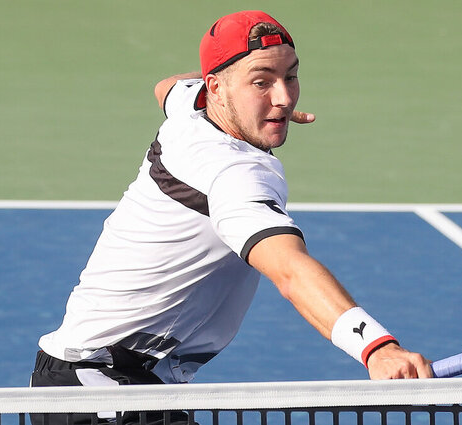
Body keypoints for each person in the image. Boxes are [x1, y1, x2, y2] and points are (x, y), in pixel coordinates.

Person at [30, 10, 432, 425]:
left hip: (112, 383)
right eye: (262, 82)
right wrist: (378, 348)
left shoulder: (192, 104)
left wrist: (248, 93)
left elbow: (166, 87)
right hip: (101, 386)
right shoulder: (234, 173)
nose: (284, 98)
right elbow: (291, 271)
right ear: (216, 87)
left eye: (289, 77)